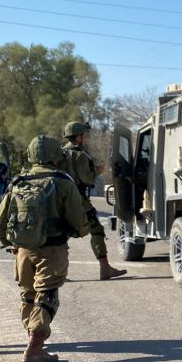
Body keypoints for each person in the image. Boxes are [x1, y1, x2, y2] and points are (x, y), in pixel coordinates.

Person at [0, 135, 88, 362]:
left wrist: (13, 242)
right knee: (47, 296)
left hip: (23, 251)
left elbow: (0, 221)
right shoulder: (63, 182)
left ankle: (33, 338)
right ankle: (34, 349)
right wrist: (81, 231)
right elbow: (78, 220)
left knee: (28, 294)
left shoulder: (18, 181)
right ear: (56, 155)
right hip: (52, 248)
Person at [61, 120, 127, 280]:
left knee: (62, 235)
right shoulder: (79, 154)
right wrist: (99, 170)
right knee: (96, 230)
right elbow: (87, 178)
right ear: (78, 137)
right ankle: (105, 268)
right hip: (79, 201)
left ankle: (58, 272)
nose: (85, 138)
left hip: (63, 200)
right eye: (83, 135)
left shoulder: (61, 153)